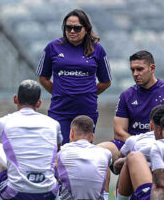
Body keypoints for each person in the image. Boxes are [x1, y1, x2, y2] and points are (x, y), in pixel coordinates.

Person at [37, 9, 112, 144]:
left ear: (86, 29)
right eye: (68, 27)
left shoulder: (97, 49)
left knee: (83, 151)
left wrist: (89, 92)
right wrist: (59, 92)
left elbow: (106, 81)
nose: (72, 31)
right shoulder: (53, 47)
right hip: (60, 110)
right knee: (60, 150)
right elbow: (43, 78)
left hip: (86, 110)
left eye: (76, 28)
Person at [105, 105, 164, 200]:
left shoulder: (136, 140)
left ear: (151, 125)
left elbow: (118, 165)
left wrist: (122, 162)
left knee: (130, 159)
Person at [112, 50, 164, 150]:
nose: (135, 74)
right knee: (104, 149)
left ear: (152, 68)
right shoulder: (126, 95)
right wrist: (139, 146)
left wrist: (157, 147)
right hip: (132, 145)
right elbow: (119, 132)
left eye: (139, 69)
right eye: (132, 70)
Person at [55, 116, 111, 200]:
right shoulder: (105, 152)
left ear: (71, 133)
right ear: (92, 137)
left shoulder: (61, 151)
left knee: (54, 166)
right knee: (105, 162)